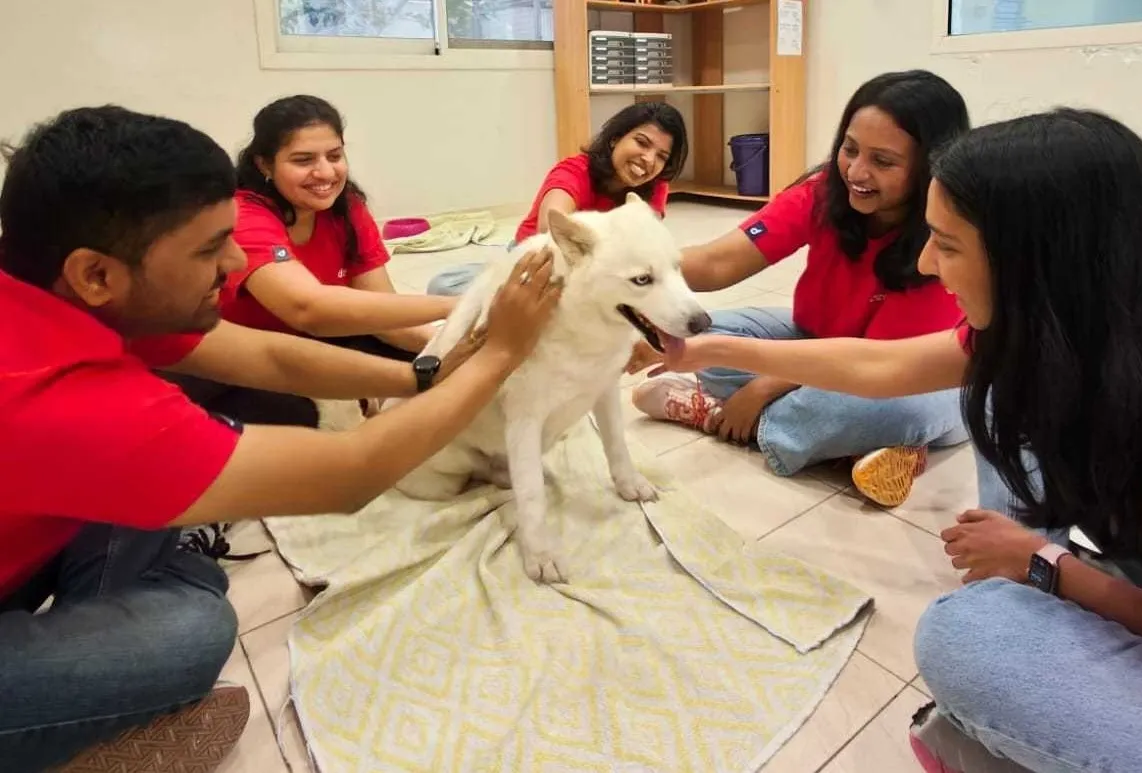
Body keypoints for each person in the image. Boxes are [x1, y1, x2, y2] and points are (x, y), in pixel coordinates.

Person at [0, 105, 561, 772]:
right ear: (96, 273)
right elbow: (350, 470)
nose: (236, 263)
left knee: (200, 482)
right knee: (194, 629)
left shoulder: (62, 292)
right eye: (210, 250)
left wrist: (429, 369)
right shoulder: (54, 394)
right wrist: (500, 353)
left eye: (229, 238)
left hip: (35, 531)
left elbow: (268, 355)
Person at [653, 108, 1142, 773]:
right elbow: (878, 365)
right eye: (851, 151)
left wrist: (1043, 564)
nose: (924, 260)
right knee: (996, 390)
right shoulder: (1066, 325)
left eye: (947, 243)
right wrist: (705, 348)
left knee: (963, 632)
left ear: (1036, 262)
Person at [630, 70, 971, 507]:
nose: (857, 171)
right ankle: (865, 449)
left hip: (906, 374)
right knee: (695, 332)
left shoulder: (943, 235)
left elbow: (878, 366)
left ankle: (720, 416)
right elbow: (719, 261)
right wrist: (633, 266)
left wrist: (762, 387)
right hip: (818, 339)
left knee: (890, 408)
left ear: (929, 168)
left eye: (883, 162)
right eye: (850, 149)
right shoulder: (824, 191)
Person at [168, 94, 459, 427]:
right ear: (265, 165)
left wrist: (453, 347)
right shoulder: (245, 215)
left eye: (334, 156)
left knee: (429, 362)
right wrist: (456, 305)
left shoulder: (346, 207)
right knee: (295, 416)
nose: (324, 173)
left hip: (314, 341)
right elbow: (308, 309)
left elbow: (382, 311)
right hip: (242, 360)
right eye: (303, 160)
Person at [425, 100, 689, 296]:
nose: (649, 160)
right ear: (614, 140)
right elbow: (550, 232)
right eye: (642, 143)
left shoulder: (654, 185)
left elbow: (646, 243)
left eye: (662, 156)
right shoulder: (575, 171)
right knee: (443, 286)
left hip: (601, 273)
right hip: (539, 259)